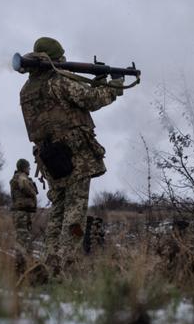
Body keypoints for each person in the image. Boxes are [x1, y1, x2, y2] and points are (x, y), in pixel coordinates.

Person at [19, 37, 124, 273]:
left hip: (48, 157)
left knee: (58, 210)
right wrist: (114, 86)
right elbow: (90, 100)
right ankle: (66, 266)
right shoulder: (57, 81)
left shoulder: (27, 89)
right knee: (75, 211)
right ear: (56, 57)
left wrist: (97, 82)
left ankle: (49, 261)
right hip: (74, 155)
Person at [9, 158, 38, 267]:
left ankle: (25, 265)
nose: (30, 169)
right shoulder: (22, 177)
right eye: (28, 167)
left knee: (24, 239)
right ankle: (21, 266)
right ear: (25, 167)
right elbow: (25, 187)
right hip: (21, 213)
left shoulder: (17, 177)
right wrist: (33, 192)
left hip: (22, 212)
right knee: (23, 239)